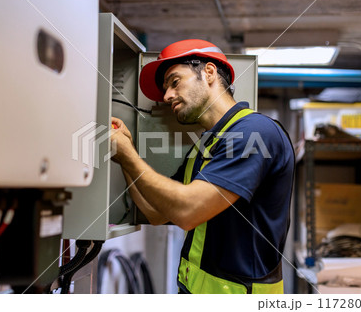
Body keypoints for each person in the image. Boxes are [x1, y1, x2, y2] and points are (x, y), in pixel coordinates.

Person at [110, 39, 295, 294]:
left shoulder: (256, 132)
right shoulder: (205, 148)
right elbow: (156, 212)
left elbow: (188, 211)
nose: (166, 96)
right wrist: (124, 157)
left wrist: (129, 155)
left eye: (174, 82)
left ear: (208, 72)